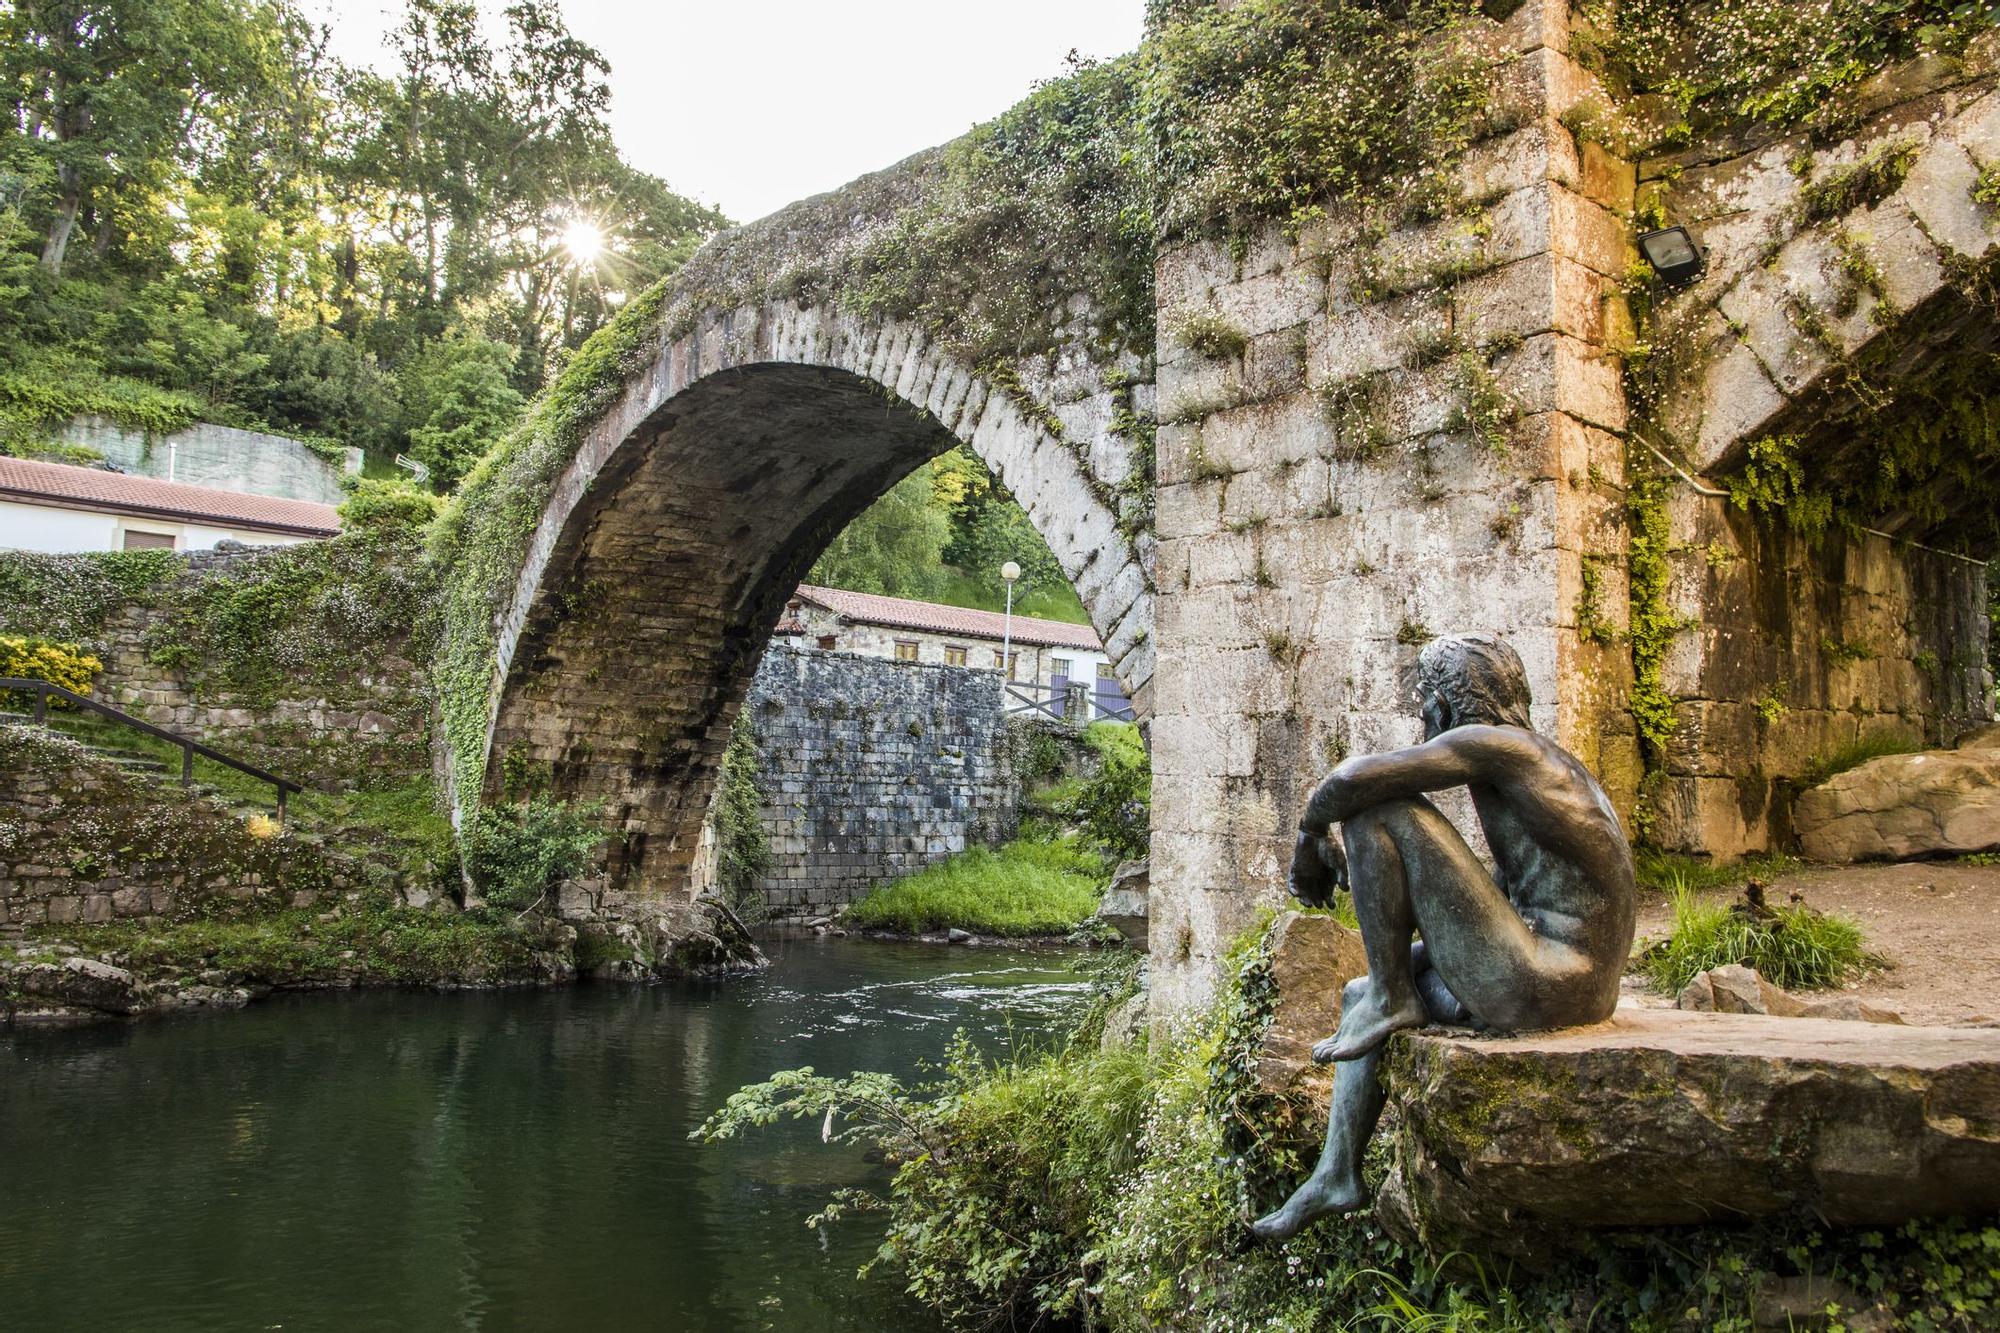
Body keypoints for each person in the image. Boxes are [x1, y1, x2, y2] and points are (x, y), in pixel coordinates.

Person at [1250, 633, 1636, 1242]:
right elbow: (1516, 903)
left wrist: (1308, 835)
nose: (1423, 719)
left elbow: (1351, 779)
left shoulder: (1495, 745)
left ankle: (1391, 996)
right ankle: (1336, 1173)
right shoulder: (1535, 763)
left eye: (1424, 703)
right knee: (1358, 992)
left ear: (1447, 707)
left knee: (1378, 809)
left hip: (1546, 981)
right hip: (1568, 982)